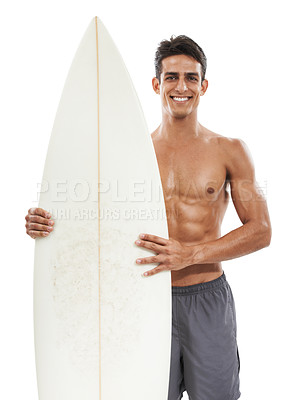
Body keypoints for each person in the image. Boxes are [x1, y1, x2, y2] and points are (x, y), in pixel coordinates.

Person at [25, 35, 272, 400]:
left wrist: (192, 254)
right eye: (171, 77)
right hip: (144, 297)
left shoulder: (230, 150)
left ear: (204, 86)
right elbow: (88, 213)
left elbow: (261, 230)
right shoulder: (128, 153)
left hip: (207, 298)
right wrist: (46, 224)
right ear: (157, 84)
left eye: (191, 77)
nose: (181, 86)